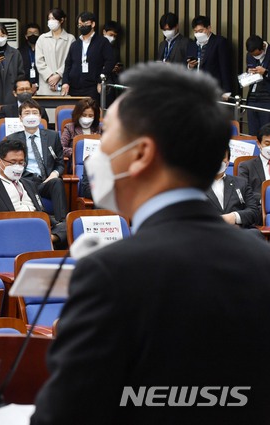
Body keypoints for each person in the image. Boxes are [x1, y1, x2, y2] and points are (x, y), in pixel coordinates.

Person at [31, 62, 270, 424]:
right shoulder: (261, 259)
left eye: (107, 134)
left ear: (141, 153)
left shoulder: (110, 272)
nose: (95, 152)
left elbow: (67, 413)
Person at [0, 139, 67, 248]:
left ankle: (47, 238)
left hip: (40, 230)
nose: (18, 166)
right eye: (13, 162)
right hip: (12, 235)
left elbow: (41, 212)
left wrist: (56, 228)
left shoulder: (30, 184)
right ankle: (42, 240)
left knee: (73, 225)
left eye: (21, 162)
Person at [4, 100, 67, 222]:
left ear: (40, 116)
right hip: (23, 181)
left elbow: (60, 164)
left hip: (46, 180)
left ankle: (62, 223)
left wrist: (54, 174)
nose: (31, 116)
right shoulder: (12, 139)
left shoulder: (52, 136)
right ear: (20, 118)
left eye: (34, 112)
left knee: (58, 182)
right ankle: (42, 223)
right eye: (27, 113)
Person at [206, 147, 261, 234]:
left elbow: (254, 212)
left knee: (256, 234)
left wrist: (234, 217)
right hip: (209, 234)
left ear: (228, 161)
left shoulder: (241, 183)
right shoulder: (194, 186)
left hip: (239, 233)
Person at [60, 12, 114, 100]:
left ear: (93, 24)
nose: (82, 26)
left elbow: (110, 61)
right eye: (80, 24)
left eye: (85, 23)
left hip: (93, 87)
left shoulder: (102, 42)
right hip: (74, 88)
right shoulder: (75, 44)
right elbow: (68, 65)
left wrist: (101, 79)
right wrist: (65, 82)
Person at [187, 15, 233, 97]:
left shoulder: (219, 42)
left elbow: (225, 66)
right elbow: (185, 64)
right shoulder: (192, 45)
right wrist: (190, 66)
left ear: (209, 28)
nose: (198, 34)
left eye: (201, 31)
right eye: (195, 31)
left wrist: (227, 90)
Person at [35, 8, 75, 96]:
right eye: (49, 19)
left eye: (53, 19)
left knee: (62, 108)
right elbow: (39, 61)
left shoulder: (70, 39)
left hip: (63, 82)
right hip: (46, 84)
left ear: (61, 20)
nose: (50, 21)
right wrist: (49, 77)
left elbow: (71, 61)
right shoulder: (42, 38)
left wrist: (58, 74)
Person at [245, 35, 270, 136]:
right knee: (253, 133)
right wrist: (249, 73)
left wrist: (265, 72)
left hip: (267, 99)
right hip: (252, 97)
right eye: (252, 55)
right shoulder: (249, 55)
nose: (254, 56)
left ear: (263, 48)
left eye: (257, 54)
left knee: (266, 133)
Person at [238, 123, 270, 201]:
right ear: (259, 144)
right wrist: (266, 200)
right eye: (267, 143)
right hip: (258, 208)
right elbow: (244, 192)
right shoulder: (246, 166)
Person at [19, 23, 42, 92]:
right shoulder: (19, 51)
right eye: (30, 33)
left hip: (42, 86)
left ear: (39, 35)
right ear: (26, 36)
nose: (33, 35)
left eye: (35, 33)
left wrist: (37, 85)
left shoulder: (44, 50)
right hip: (25, 87)